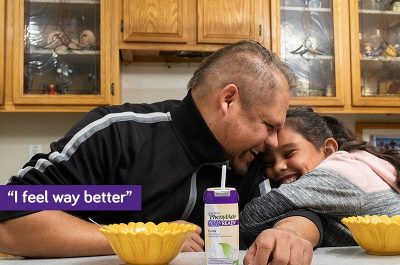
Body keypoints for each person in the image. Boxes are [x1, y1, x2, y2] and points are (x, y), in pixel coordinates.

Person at [0, 40, 312, 263]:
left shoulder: (246, 158)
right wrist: (147, 240)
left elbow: (293, 211)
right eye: (268, 125)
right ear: (228, 100)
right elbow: (12, 216)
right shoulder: (118, 135)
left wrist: (291, 232)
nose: (273, 142)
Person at [240, 107, 400, 263]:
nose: (278, 167)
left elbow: (250, 220)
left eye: (289, 153)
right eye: (268, 162)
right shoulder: (359, 163)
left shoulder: (338, 172)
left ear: (328, 149)